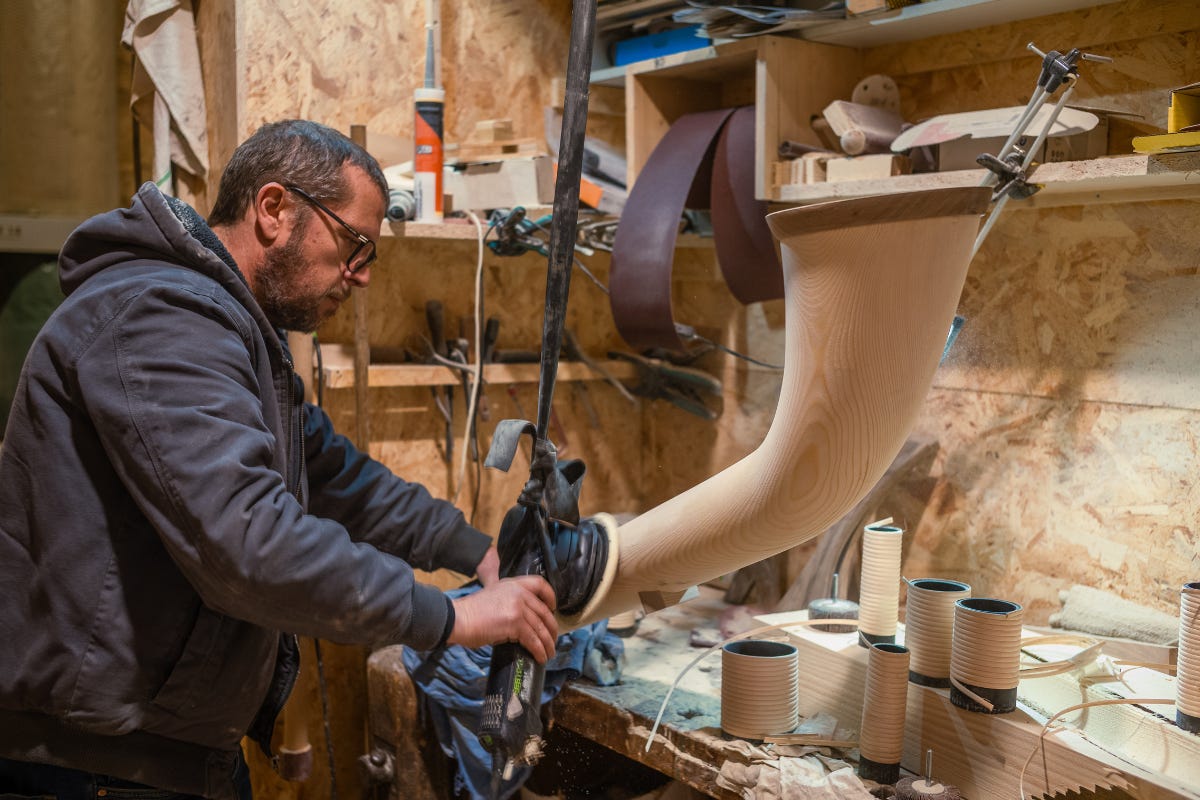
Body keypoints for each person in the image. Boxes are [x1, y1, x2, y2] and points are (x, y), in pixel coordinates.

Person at [0, 120, 559, 800]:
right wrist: (453, 617)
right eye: (354, 245)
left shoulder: (232, 335)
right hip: (97, 766)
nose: (360, 277)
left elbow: (332, 474)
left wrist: (475, 552)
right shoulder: (162, 317)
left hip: (162, 752)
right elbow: (249, 543)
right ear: (273, 209)